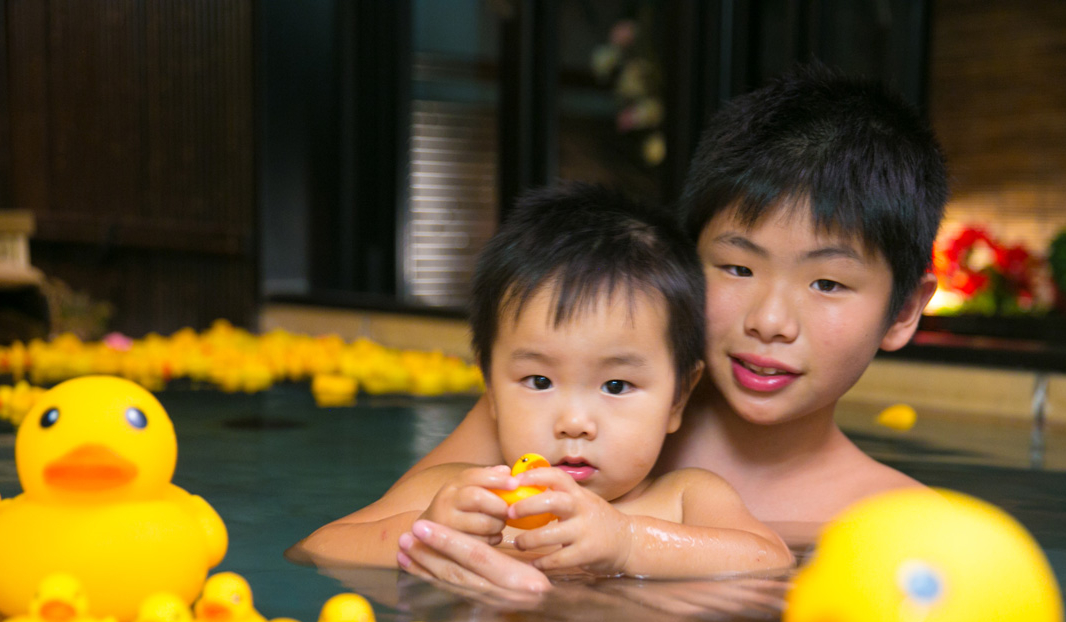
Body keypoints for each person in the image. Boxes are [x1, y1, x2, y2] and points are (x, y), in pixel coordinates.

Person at [297, 63, 947, 594]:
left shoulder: (908, 525)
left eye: (827, 283)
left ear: (903, 310)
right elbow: (355, 543)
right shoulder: (552, 401)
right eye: (735, 267)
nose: (770, 322)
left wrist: (631, 544)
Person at [298, 182, 792, 583]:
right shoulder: (459, 492)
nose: (573, 422)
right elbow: (317, 547)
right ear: (490, 387)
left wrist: (630, 542)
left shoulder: (685, 499)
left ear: (678, 398)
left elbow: (769, 561)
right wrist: (427, 533)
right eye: (538, 380)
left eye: (616, 386)